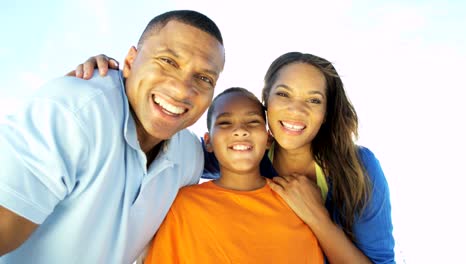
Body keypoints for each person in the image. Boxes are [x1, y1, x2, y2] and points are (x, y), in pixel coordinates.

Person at [73, 52, 395, 263]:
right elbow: (153, 140)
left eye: (313, 99)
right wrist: (117, 84)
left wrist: (318, 219)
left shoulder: (358, 169)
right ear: (266, 99)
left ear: (326, 112)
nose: (296, 110)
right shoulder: (239, 157)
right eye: (283, 94)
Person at [0, 10, 225, 263]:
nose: (182, 89)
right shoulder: (75, 111)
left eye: (204, 78)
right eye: (168, 61)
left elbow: (237, 162)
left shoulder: (190, 155)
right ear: (130, 62)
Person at [144, 87, 324, 263]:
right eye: (225, 123)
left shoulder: (296, 199)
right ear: (208, 142)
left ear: (268, 138)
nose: (240, 130)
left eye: (253, 122)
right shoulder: (183, 205)